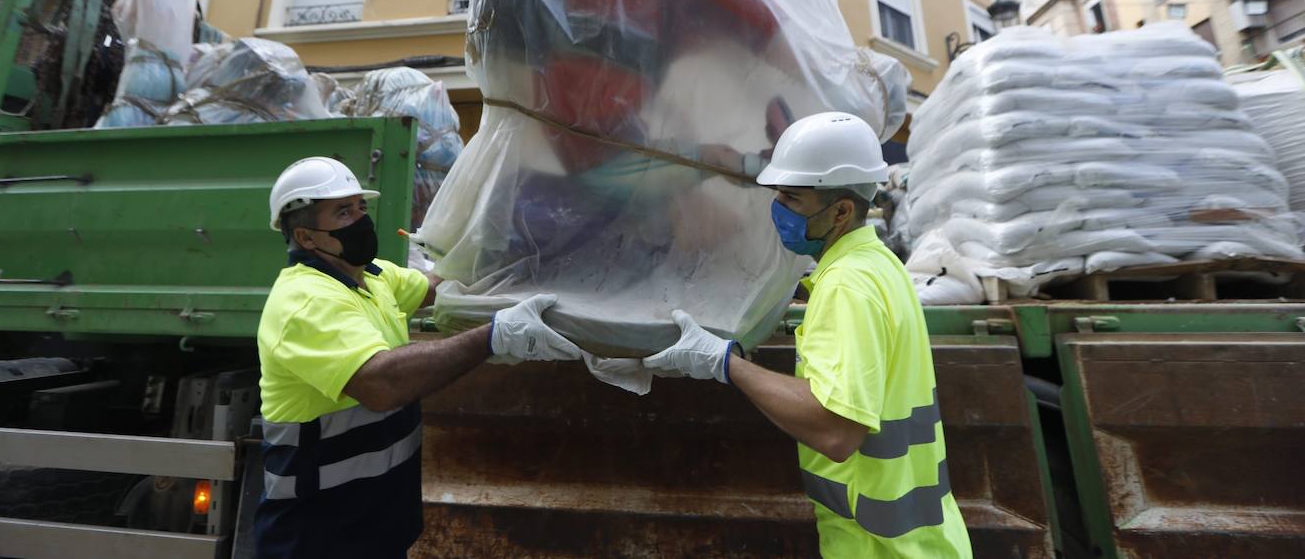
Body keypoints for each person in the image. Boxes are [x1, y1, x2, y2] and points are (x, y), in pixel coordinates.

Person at [642, 112, 971, 557]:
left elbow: (836, 431)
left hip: (878, 547)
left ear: (840, 211)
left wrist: (725, 363)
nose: (778, 209)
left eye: (792, 198)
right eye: (777, 194)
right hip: (919, 540)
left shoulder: (846, 287)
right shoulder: (879, 264)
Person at [254, 156, 579, 559]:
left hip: (375, 525)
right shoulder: (305, 302)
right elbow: (383, 384)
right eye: (343, 212)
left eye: (361, 207)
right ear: (306, 238)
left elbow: (435, 286)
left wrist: (506, 237)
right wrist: (495, 336)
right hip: (316, 533)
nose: (360, 219)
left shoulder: (370, 278)